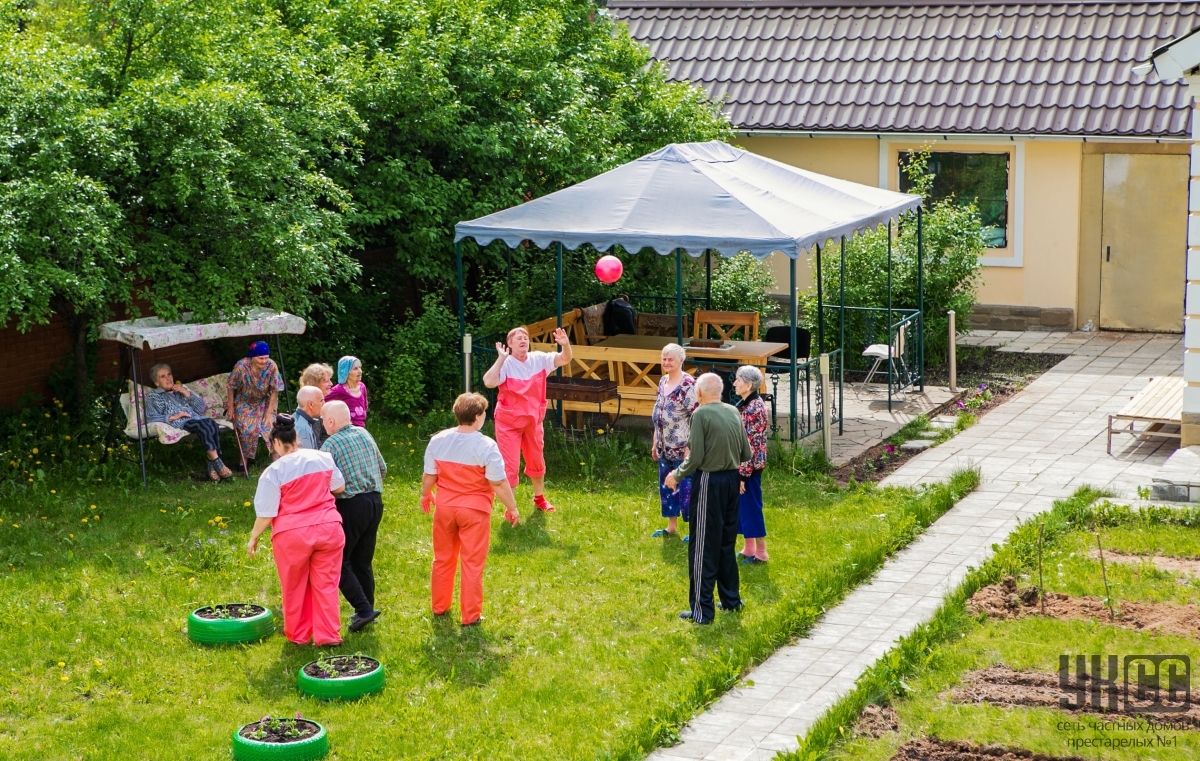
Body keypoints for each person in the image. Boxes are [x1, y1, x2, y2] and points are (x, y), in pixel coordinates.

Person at [421, 393, 519, 626]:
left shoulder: (438, 440)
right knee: (472, 563)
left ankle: (439, 607)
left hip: (444, 508)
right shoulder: (486, 445)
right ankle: (471, 615)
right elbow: (498, 482)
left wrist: (425, 494)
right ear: (477, 416)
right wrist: (512, 507)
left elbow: (429, 475)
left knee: (442, 559)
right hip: (474, 512)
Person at [247, 415, 345, 646]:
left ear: (277, 444)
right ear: (296, 438)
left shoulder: (273, 472)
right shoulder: (323, 458)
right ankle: (329, 635)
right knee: (327, 584)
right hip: (329, 529)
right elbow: (339, 486)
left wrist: (253, 537)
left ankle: (299, 635)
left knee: (294, 586)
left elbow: (267, 513)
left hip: (292, 535)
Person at [665, 373, 751, 625]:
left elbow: (696, 458)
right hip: (732, 480)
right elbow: (745, 451)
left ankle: (702, 611)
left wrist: (676, 475)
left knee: (702, 546)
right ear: (721, 392)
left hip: (709, 482)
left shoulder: (700, 414)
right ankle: (731, 600)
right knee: (725, 541)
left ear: (699, 394)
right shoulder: (733, 411)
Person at [482, 326, 573, 512]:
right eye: (518, 338)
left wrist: (565, 345)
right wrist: (501, 358)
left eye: (525, 337)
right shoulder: (505, 364)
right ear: (510, 344)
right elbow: (489, 382)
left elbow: (565, 358)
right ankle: (511, 508)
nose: (523, 340)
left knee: (537, 460)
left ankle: (539, 498)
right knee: (510, 465)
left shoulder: (538, 359)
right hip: (509, 424)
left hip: (533, 421)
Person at [321, 400, 387, 633]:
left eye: (323, 420)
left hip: (350, 504)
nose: (322, 425)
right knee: (362, 559)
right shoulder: (364, 433)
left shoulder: (330, 445)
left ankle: (364, 609)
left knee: (338, 560)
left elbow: (327, 481)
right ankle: (366, 608)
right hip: (374, 502)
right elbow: (383, 468)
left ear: (330, 421)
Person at [144, 363, 234, 481]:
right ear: (156, 382)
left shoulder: (181, 390)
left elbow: (201, 408)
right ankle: (217, 461)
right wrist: (174, 416)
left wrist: (186, 392)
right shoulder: (153, 397)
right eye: (163, 376)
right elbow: (151, 417)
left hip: (196, 418)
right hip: (181, 422)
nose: (168, 378)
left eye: (169, 374)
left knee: (211, 424)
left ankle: (212, 466)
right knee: (202, 425)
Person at [650, 344, 697, 539]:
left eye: (670, 359)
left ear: (680, 361)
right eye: (664, 358)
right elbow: (659, 414)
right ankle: (671, 526)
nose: (666, 362)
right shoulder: (662, 381)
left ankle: (694, 529)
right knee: (666, 486)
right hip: (663, 446)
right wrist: (655, 442)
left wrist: (690, 447)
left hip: (681, 447)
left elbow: (697, 417)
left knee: (686, 488)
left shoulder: (688, 384)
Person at [226, 341, 285, 467]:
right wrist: (230, 407)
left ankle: (277, 460)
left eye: (266, 358)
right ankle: (244, 460)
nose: (264, 361)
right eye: (260, 358)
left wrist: (269, 413)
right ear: (252, 356)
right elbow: (231, 386)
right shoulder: (241, 367)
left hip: (264, 401)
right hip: (244, 402)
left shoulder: (271, 366)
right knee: (248, 429)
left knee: (270, 427)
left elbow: (275, 389)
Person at [732, 366, 770, 564]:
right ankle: (748, 548)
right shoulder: (747, 403)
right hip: (744, 466)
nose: (734, 383)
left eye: (738, 380)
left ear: (748, 384)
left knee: (752, 508)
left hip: (750, 468)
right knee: (743, 508)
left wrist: (743, 475)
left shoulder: (754, 407)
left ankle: (761, 553)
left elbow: (751, 444)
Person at [324, 356, 368, 428]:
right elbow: (320, 402)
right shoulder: (339, 390)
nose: (360, 371)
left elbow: (365, 406)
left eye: (360, 367)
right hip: (346, 430)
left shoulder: (362, 387)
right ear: (345, 372)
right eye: (355, 369)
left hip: (361, 428)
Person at [293, 386, 326, 450]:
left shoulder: (299, 419)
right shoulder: (302, 429)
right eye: (321, 400)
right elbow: (307, 459)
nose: (324, 403)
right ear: (311, 404)